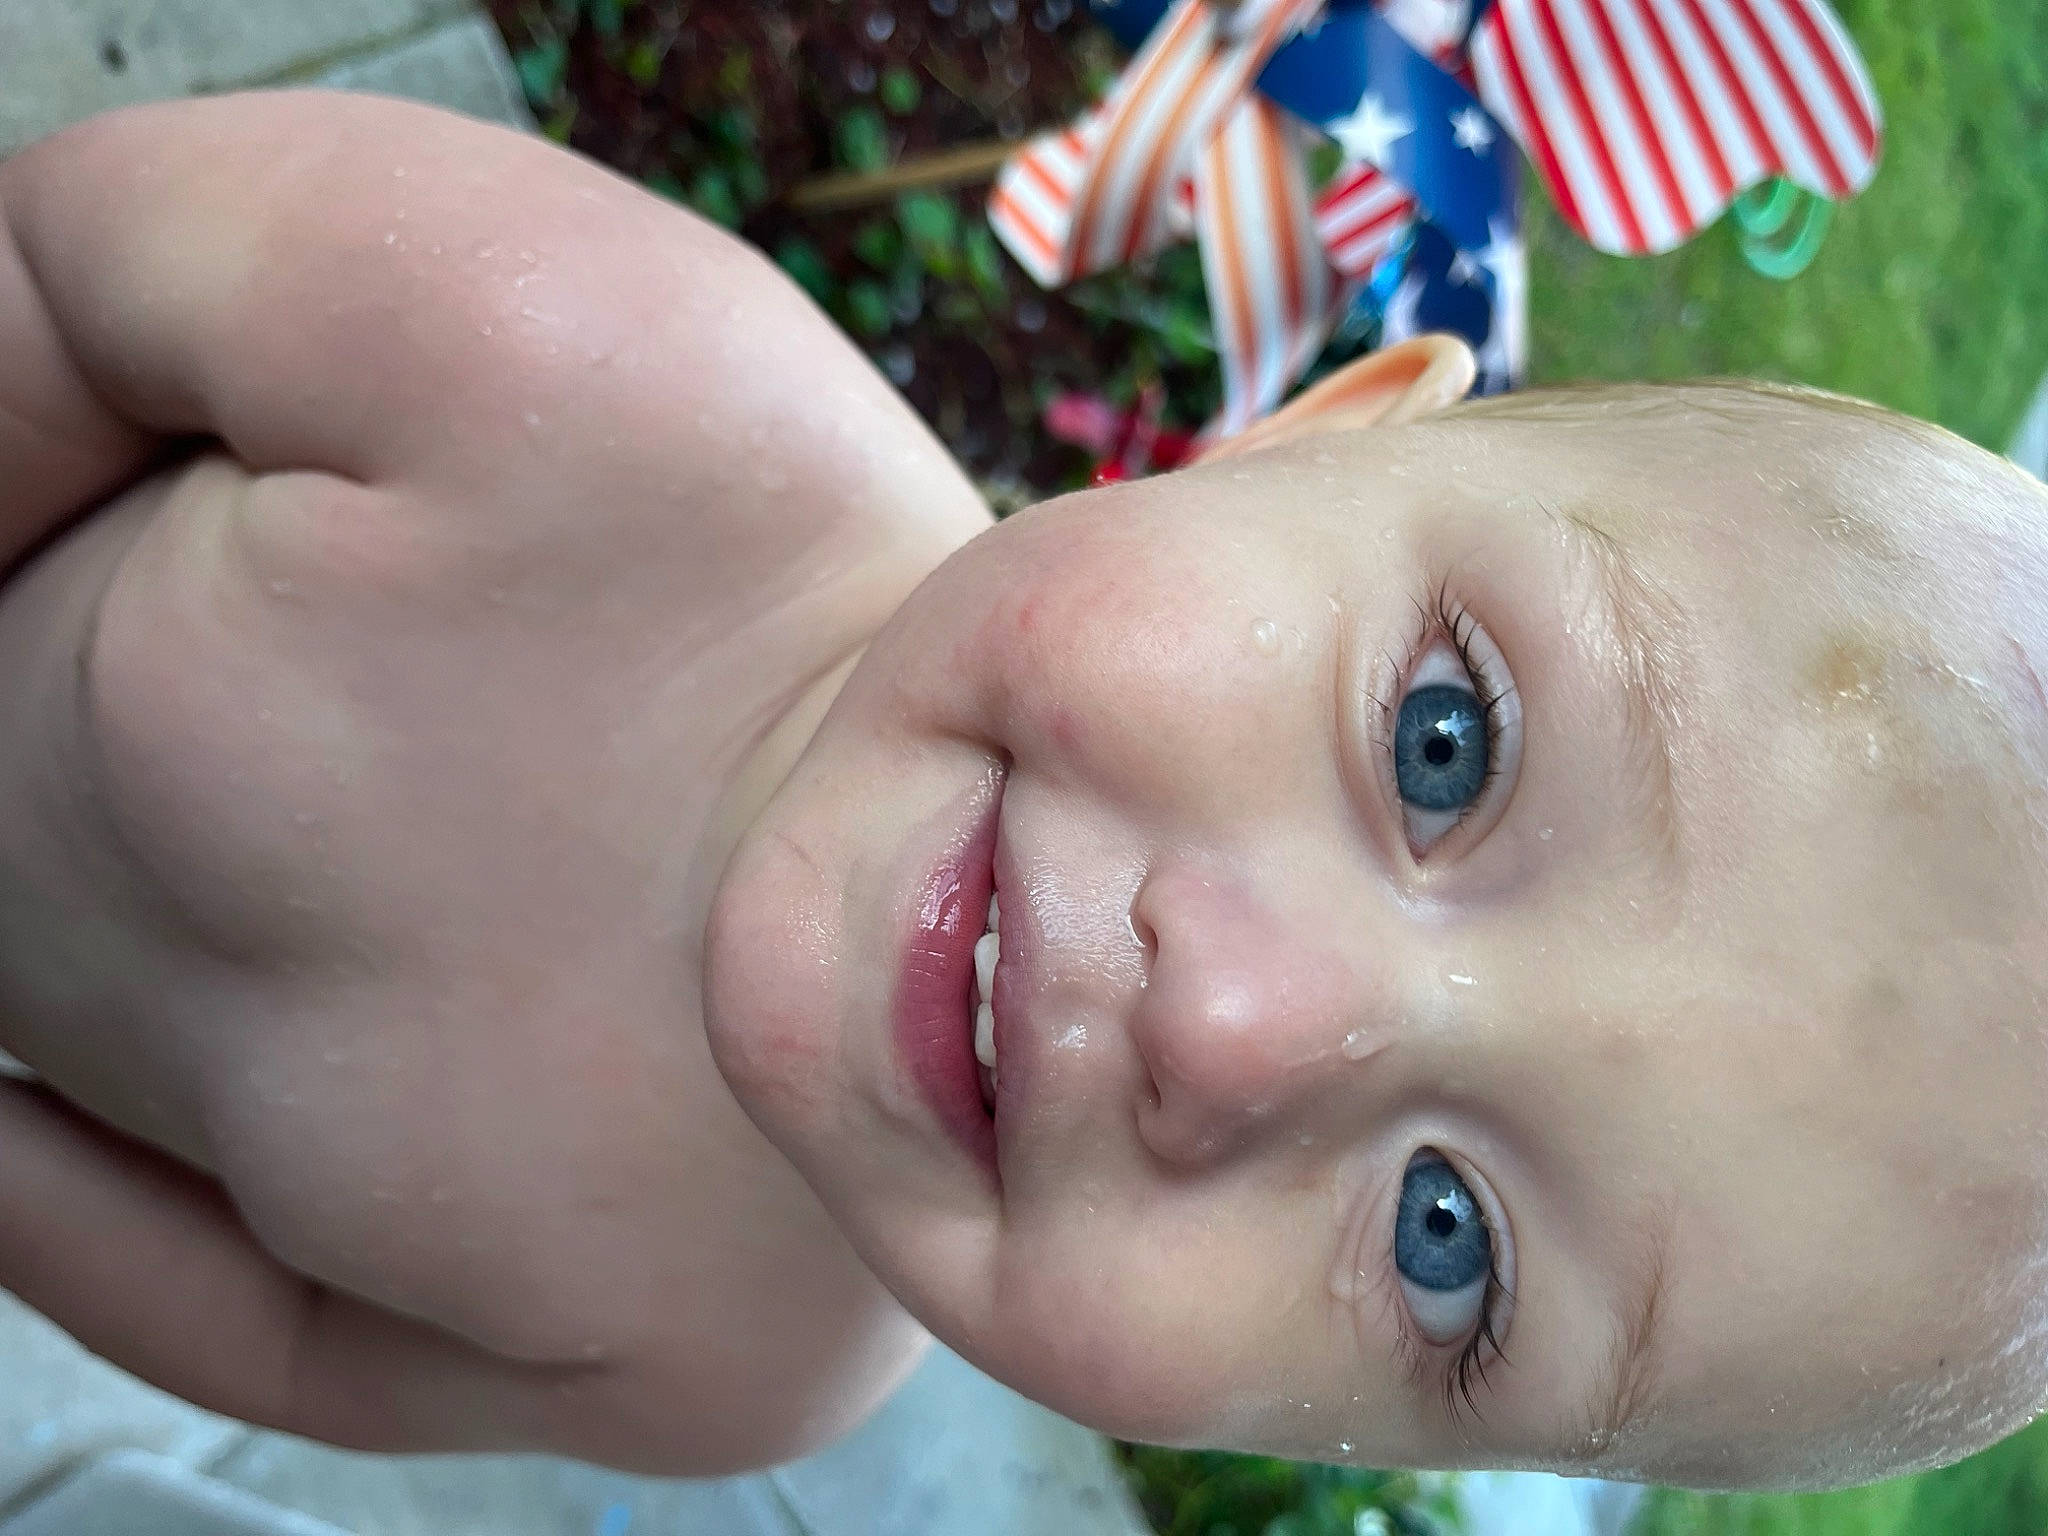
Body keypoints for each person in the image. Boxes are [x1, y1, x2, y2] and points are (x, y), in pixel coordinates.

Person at [0, 90, 2042, 1495]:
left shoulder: (746, 1354)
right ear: (1301, 434)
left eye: (1449, 1244)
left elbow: (285, 1345)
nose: (1233, 1026)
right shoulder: (597, 384)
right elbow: (61, 279)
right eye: (1449, 744)